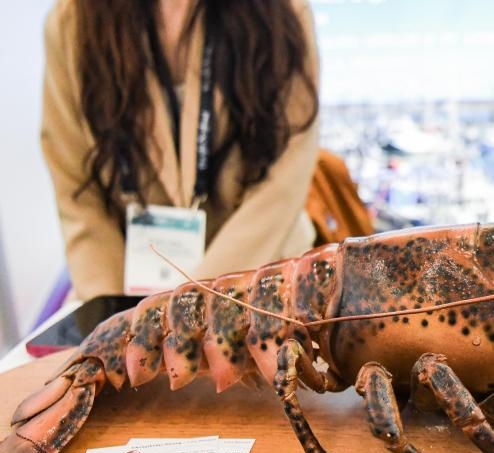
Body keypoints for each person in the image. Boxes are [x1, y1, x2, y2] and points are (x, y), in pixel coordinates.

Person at [41, 0, 320, 300]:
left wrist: (188, 311)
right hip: (128, 292)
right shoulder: (72, 22)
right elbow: (78, 194)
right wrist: (116, 318)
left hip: (261, 280)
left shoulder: (282, 11)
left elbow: (282, 184)